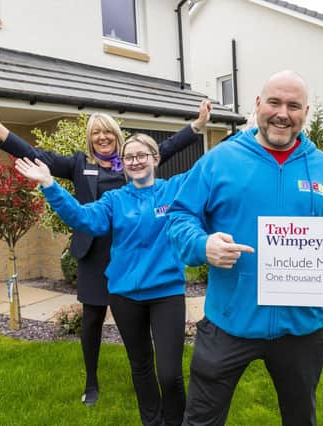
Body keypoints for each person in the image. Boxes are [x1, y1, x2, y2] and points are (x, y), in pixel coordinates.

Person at [167, 70, 323, 425]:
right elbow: (179, 216)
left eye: (293, 105)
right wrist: (202, 244)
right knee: (201, 420)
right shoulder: (220, 160)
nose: (283, 113)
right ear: (258, 105)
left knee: (300, 419)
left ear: (305, 112)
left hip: (301, 328)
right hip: (229, 321)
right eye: (275, 102)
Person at [0, 101, 211, 407]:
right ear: (90, 140)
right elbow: (40, 161)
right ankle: (94, 383)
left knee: (167, 371)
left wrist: (197, 126)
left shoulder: (143, 166)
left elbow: (173, 150)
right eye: (96, 133)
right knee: (97, 325)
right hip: (100, 255)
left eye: (107, 132)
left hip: (149, 260)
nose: (102, 137)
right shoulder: (83, 168)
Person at [15, 132, 192, 425]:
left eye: (141, 155)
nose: (135, 161)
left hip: (167, 293)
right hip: (125, 295)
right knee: (141, 366)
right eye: (129, 157)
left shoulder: (174, 189)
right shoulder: (114, 200)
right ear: (122, 164)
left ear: (155, 158)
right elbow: (82, 218)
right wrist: (49, 184)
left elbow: (214, 169)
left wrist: (252, 134)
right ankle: (152, 421)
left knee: (170, 374)